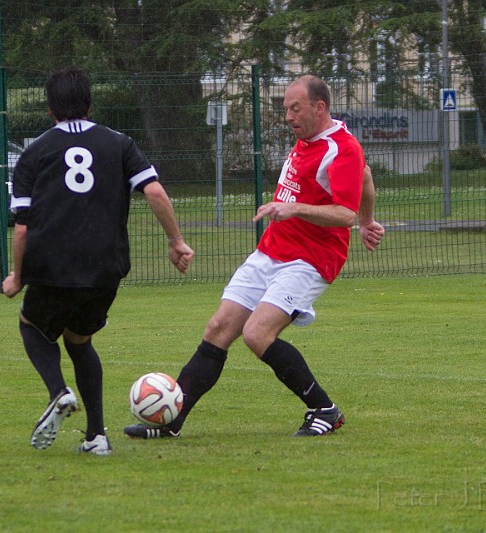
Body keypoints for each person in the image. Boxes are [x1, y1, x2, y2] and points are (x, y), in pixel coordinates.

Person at [124, 74, 385, 440]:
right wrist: (368, 221)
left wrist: (303, 210)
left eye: (296, 108)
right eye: (285, 110)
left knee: (257, 334)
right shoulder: (307, 141)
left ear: (319, 107)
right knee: (218, 329)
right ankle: (172, 421)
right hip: (271, 252)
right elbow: (367, 177)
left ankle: (323, 409)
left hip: (310, 259)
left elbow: (343, 212)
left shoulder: (341, 148)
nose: (289, 117)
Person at [3, 66, 194, 456]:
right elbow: (154, 191)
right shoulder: (119, 143)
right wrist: (175, 241)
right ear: (89, 105)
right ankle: (96, 437)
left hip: (52, 266)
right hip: (105, 267)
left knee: (32, 327)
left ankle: (58, 393)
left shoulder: (34, 153)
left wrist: (17, 276)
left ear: (50, 109)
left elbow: (21, 229)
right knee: (79, 339)